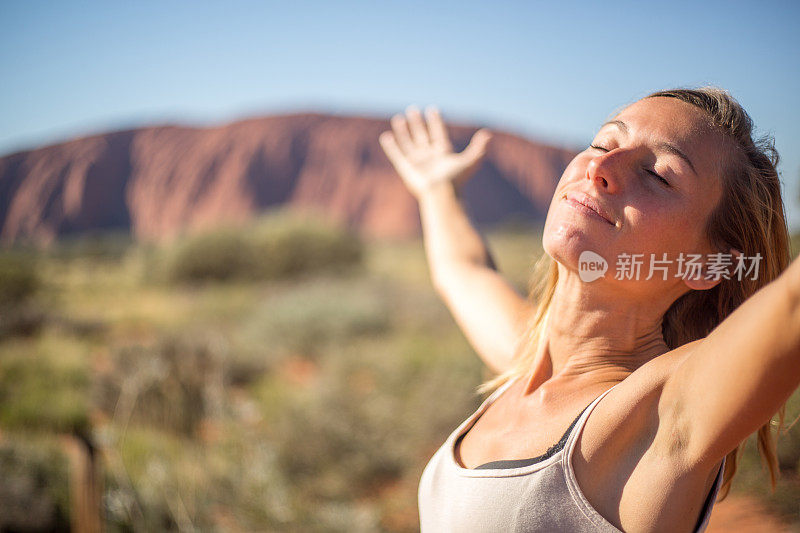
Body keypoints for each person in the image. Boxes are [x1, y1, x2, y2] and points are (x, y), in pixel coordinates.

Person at [378, 86, 799, 532]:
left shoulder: (662, 410)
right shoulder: (525, 361)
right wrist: (438, 189)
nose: (600, 167)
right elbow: (462, 269)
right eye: (603, 143)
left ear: (704, 264)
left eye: (658, 175)